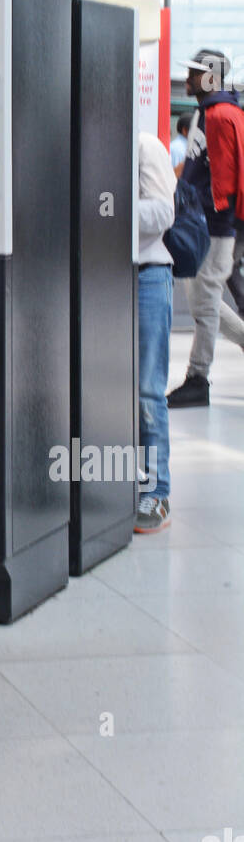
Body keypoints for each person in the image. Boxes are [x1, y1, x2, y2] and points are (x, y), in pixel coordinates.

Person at [167, 49, 244, 406]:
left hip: (214, 227)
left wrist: (209, 217)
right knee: (205, 301)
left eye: (196, 73)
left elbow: (225, 183)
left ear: (211, 77)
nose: (188, 78)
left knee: (205, 303)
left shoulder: (220, 114)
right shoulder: (207, 112)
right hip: (206, 224)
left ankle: (198, 377)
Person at [135, 132, 176, 533]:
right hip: (101, 276)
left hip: (147, 275)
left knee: (147, 389)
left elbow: (165, 211)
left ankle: (157, 490)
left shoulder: (146, 146)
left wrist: (107, 210)